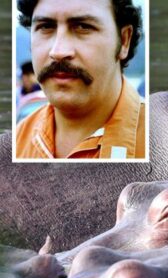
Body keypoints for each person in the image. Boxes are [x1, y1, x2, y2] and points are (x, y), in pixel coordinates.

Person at [15, 0, 145, 160]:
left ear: (124, 40)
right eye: (45, 27)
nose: (58, 51)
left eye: (83, 27)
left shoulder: (165, 142)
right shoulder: (15, 144)